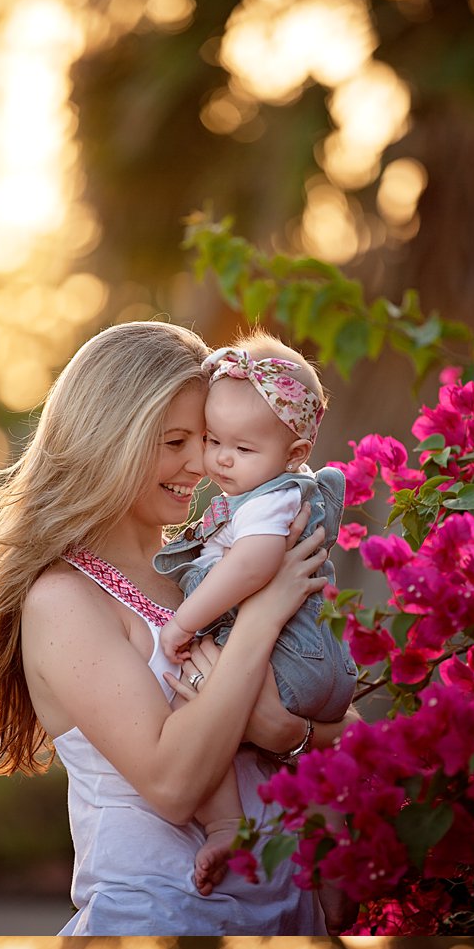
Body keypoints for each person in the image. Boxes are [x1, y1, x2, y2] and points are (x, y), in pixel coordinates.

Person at [0, 318, 344, 934]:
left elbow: (347, 726)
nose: (202, 462)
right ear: (109, 440)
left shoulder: (210, 567)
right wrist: (262, 618)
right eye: (174, 442)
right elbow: (171, 783)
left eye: (210, 437)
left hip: (288, 918)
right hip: (164, 917)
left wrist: (289, 731)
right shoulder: (66, 599)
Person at [152, 337, 356, 896]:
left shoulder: (269, 499)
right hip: (319, 666)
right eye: (213, 440)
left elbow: (253, 566)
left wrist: (183, 621)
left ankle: (223, 824)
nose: (217, 459)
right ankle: (333, 840)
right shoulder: (273, 490)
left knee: (193, 702)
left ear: (295, 454)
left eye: (241, 449)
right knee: (219, 706)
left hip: (293, 660)